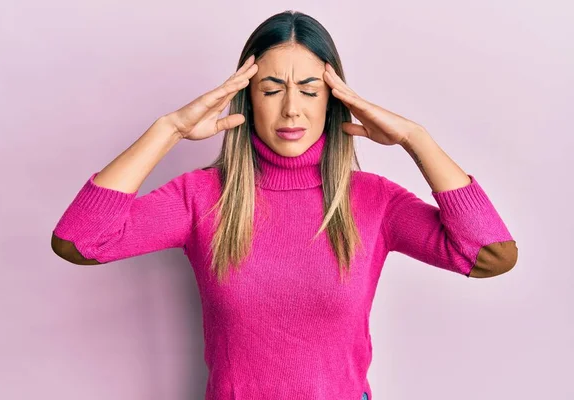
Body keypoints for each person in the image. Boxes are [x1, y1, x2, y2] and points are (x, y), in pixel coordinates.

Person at [51, 10, 518, 400]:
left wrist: (416, 139)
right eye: (272, 90)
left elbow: (490, 255)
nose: (291, 109)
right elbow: (79, 241)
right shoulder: (201, 197)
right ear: (249, 100)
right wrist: (168, 129)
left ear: (333, 101)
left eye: (310, 91)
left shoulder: (374, 200)